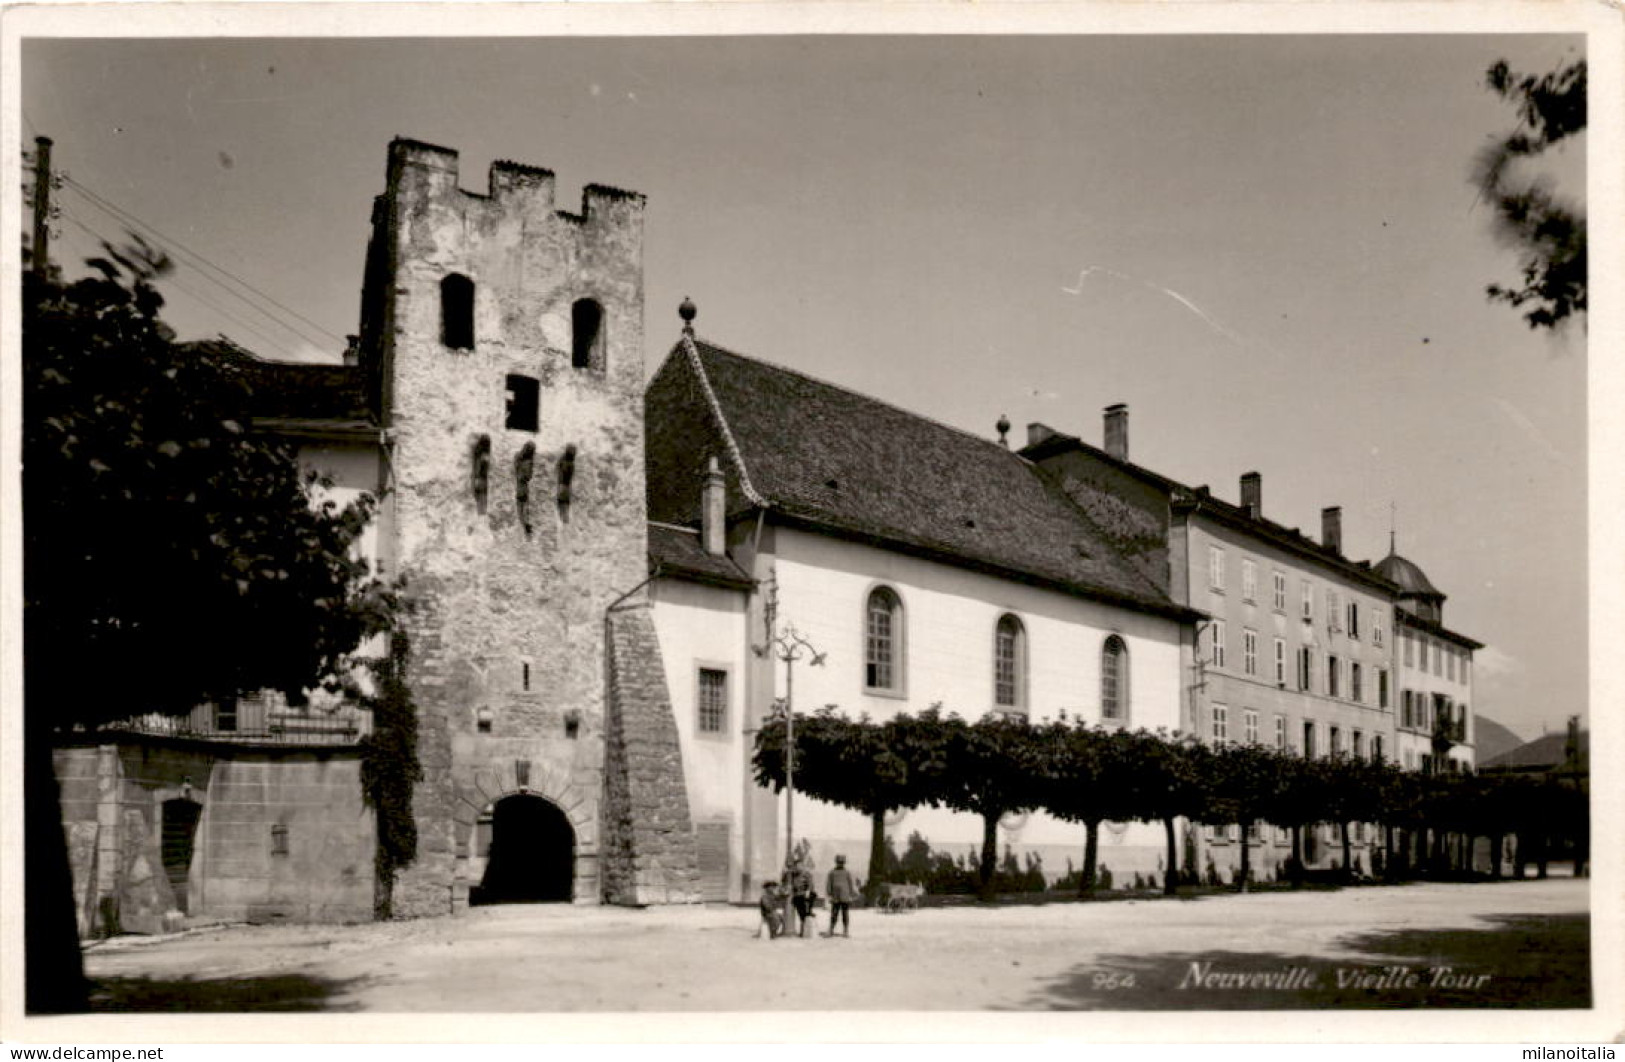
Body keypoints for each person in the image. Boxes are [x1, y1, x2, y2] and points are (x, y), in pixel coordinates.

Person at [825, 853, 857, 938]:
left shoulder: (847, 872)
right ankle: (831, 930)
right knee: (834, 914)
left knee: (845, 914)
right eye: (839, 862)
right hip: (835, 897)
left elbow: (850, 884)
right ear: (836, 862)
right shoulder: (832, 872)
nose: (840, 864)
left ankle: (845, 931)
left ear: (844, 863)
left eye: (842, 862)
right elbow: (829, 884)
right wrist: (829, 894)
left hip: (845, 897)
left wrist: (851, 894)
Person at [787, 859, 817, 937]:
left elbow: (810, 885)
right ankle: (803, 930)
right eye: (797, 866)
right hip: (797, 896)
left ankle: (805, 931)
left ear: (803, 866)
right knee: (800, 914)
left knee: (805, 914)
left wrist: (808, 893)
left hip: (805, 896)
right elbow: (792, 886)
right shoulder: (794, 875)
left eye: (800, 865)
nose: (798, 867)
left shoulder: (807, 874)